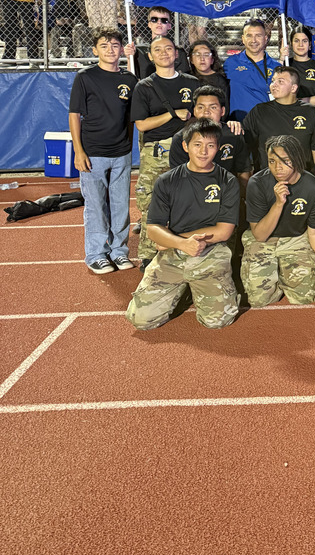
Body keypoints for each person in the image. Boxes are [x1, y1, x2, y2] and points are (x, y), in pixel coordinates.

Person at [125, 119, 241, 331]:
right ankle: (185, 289)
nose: (203, 151)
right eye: (197, 144)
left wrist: (174, 239)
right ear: (186, 146)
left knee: (217, 322)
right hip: (174, 252)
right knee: (140, 319)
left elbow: (224, 231)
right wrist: (181, 244)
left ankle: (200, 287)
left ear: (218, 148)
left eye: (210, 145)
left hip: (210, 252)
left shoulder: (228, 181)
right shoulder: (167, 181)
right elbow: (153, 229)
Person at [68, 28, 138, 274]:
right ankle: (96, 254)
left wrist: (127, 146)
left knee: (120, 205)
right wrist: (79, 151)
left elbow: (130, 119)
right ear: (95, 50)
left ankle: (118, 251)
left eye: (115, 45)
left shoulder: (130, 80)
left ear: (122, 49)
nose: (110, 50)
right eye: (104, 45)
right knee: (96, 205)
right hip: (93, 152)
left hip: (121, 153)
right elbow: (74, 115)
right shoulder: (85, 77)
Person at [130, 35, 200, 269]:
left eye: (168, 49)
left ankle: (184, 248)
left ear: (176, 54)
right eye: (158, 50)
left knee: (188, 200)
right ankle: (149, 253)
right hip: (157, 151)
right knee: (151, 203)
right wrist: (172, 114)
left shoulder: (192, 83)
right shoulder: (144, 86)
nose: (164, 53)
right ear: (150, 56)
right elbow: (142, 125)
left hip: (187, 149)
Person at [241, 135, 315, 307]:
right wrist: (279, 204)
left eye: (285, 161)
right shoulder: (257, 183)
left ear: (297, 159)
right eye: (272, 161)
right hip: (264, 240)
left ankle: (284, 274)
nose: (277, 167)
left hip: (295, 239)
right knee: (259, 300)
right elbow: (260, 235)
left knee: (306, 297)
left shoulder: (313, 187)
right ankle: (277, 275)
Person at [168, 85, 251, 194]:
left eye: (213, 107)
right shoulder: (181, 138)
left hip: (227, 194)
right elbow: (178, 177)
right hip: (192, 194)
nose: (206, 112)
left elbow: (243, 170)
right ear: (194, 111)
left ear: (222, 111)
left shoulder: (234, 134)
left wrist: (242, 197)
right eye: (201, 107)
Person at [243, 65, 315, 170]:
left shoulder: (310, 112)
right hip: (267, 177)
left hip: (301, 177)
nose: (274, 85)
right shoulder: (259, 111)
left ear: (293, 88)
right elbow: (244, 143)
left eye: (280, 81)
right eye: (273, 81)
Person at [223, 18, 279, 121]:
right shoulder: (231, 63)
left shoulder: (276, 67)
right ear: (243, 39)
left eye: (258, 35)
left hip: (266, 123)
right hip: (238, 125)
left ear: (265, 38)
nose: (253, 40)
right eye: (249, 35)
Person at [124, 7, 192, 79]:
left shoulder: (179, 52)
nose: (159, 22)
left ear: (169, 26)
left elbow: (185, 79)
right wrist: (129, 58)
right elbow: (131, 79)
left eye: (164, 20)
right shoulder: (138, 51)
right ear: (149, 24)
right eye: (154, 20)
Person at [287, 25, 315, 108]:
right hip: (288, 111)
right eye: (296, 41)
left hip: (311, 111)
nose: (300, 44)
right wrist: (281, 59)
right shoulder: (286, 65)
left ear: (310, 45)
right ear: (291, 44)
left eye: (304, 41)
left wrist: (301, 101)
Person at [188, 39, 229, 105]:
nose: (202, 59)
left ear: (212, 59)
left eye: (206, 55)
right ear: (191, 59)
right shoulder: (186, 78)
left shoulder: (220, 81)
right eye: (198, 54)